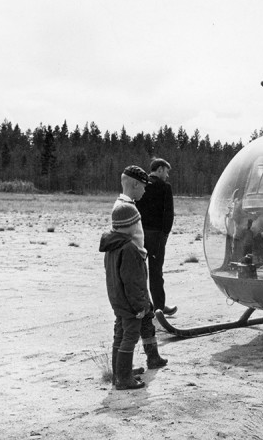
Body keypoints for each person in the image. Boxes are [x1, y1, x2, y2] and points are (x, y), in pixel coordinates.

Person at [99, 165, 168, 390]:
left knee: (125, 329)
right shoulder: (126, 217)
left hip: (121, 292)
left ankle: (130, 367)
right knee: (130, 333)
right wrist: (139, 303)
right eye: (144, 187)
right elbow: (132, 280)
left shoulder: (115, 239)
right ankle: (123, 376)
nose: (146, 191)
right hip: (133, 285)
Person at [135, 158, 176, 316]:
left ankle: (144, 306)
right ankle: (159, 306)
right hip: (157, 235)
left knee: (140, 271)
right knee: (156, 272)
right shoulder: (165, 187)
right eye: (166, 171)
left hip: (139, 234)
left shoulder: (140, 184)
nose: (167, 175)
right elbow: (169, 213)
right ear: (159, 170)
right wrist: (165, 234)